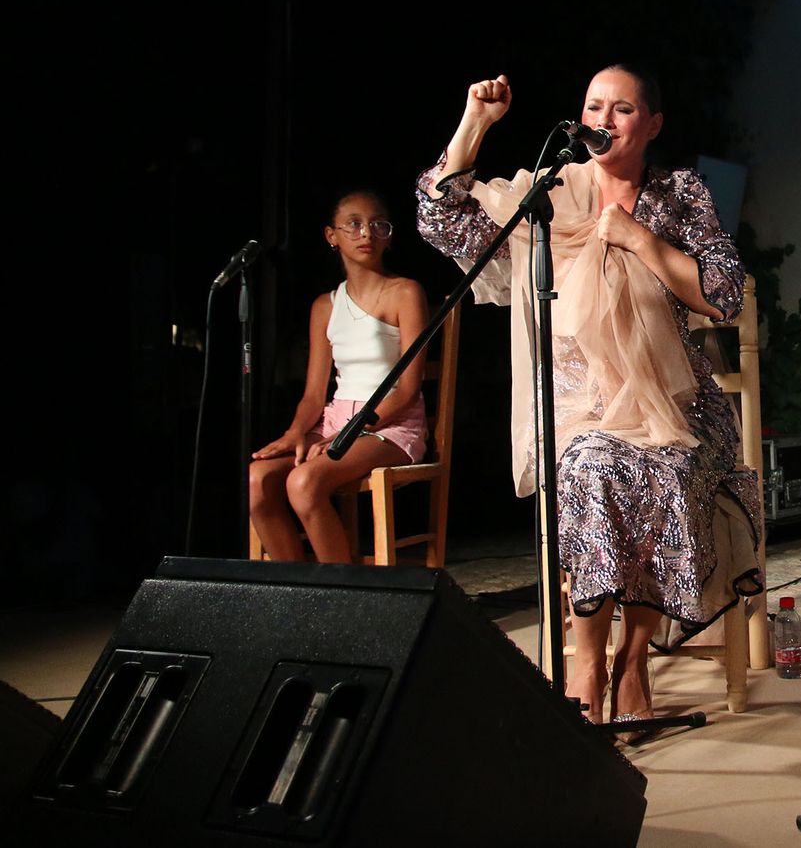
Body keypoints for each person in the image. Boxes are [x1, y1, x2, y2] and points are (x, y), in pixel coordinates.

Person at [415, 66, 762, 726]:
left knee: (668, 469)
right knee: (591, 468)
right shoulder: (549, 195)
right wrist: (475, 125)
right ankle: (587, 658)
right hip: (581, 405)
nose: (605, 117)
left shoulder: (679, 194)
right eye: (594, 105)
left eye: (623, 107)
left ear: (652, 124)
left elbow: (723, 293)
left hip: (677, 402)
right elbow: (443, 223)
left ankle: (633, 659)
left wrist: (641, 241)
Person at [249, 191, 431, 563]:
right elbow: (314, 395)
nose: (367, 233)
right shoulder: (325, 306)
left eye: (378, 225)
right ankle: (295, 590)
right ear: (332, 236)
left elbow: (409, 388)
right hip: (335, 419)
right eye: (354, 224)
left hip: (389, 423)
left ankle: (344, 594)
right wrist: (296, 432)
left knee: (303, 483)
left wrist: (353, 432)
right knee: (257, 481)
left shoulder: (405, 293)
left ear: (389, 236)